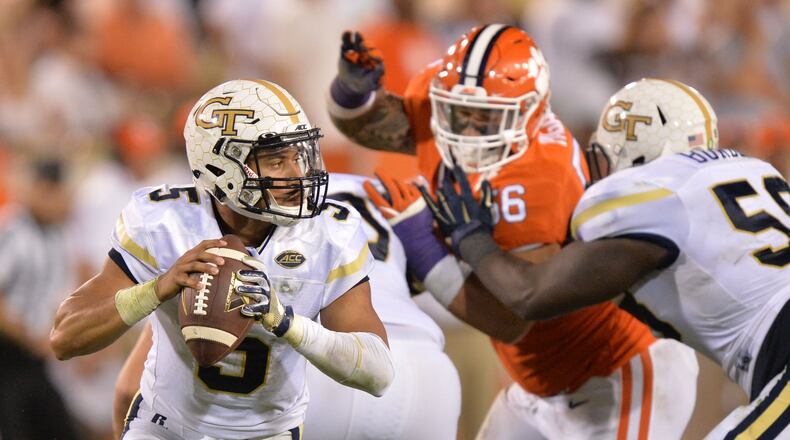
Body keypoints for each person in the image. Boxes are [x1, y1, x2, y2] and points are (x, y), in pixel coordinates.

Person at [330, 25, 698, 439]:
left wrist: (422, 245)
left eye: (485, 118)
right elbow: (378, 126)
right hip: (537, 387)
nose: (467, 130)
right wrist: (352, 94)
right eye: (458, 112)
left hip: (616, 372)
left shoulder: (540, 176)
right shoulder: (445, 101)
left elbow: (513, 315)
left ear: (530, 113)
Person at [426, 78, 790, 439]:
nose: (595, 171)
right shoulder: (754, 173)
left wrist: (471, 238)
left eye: (601, 157)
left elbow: (528, 295)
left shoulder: (658, 198)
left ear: (632, 151)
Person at [50, 79, 395, 440]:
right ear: (220, 167)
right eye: (277, 160)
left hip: (268, 434)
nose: (297, 175)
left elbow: (378, 372)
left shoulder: (328, 232)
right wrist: (157, 289)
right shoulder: (165, 220)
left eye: (300, 156)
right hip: (165, 426)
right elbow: (65, 337)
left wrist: (286, 323)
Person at [113, 172, 462, 439]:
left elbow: (131, 387)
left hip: (325, 371)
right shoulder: (395, 195)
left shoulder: (225, 225)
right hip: (425, 371)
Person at [0, 158, 79, 439]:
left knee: (59, 428)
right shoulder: (12, 230)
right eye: (47, 191)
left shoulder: (57, 234)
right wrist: (27, 336)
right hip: (7, 356)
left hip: (33, 359)